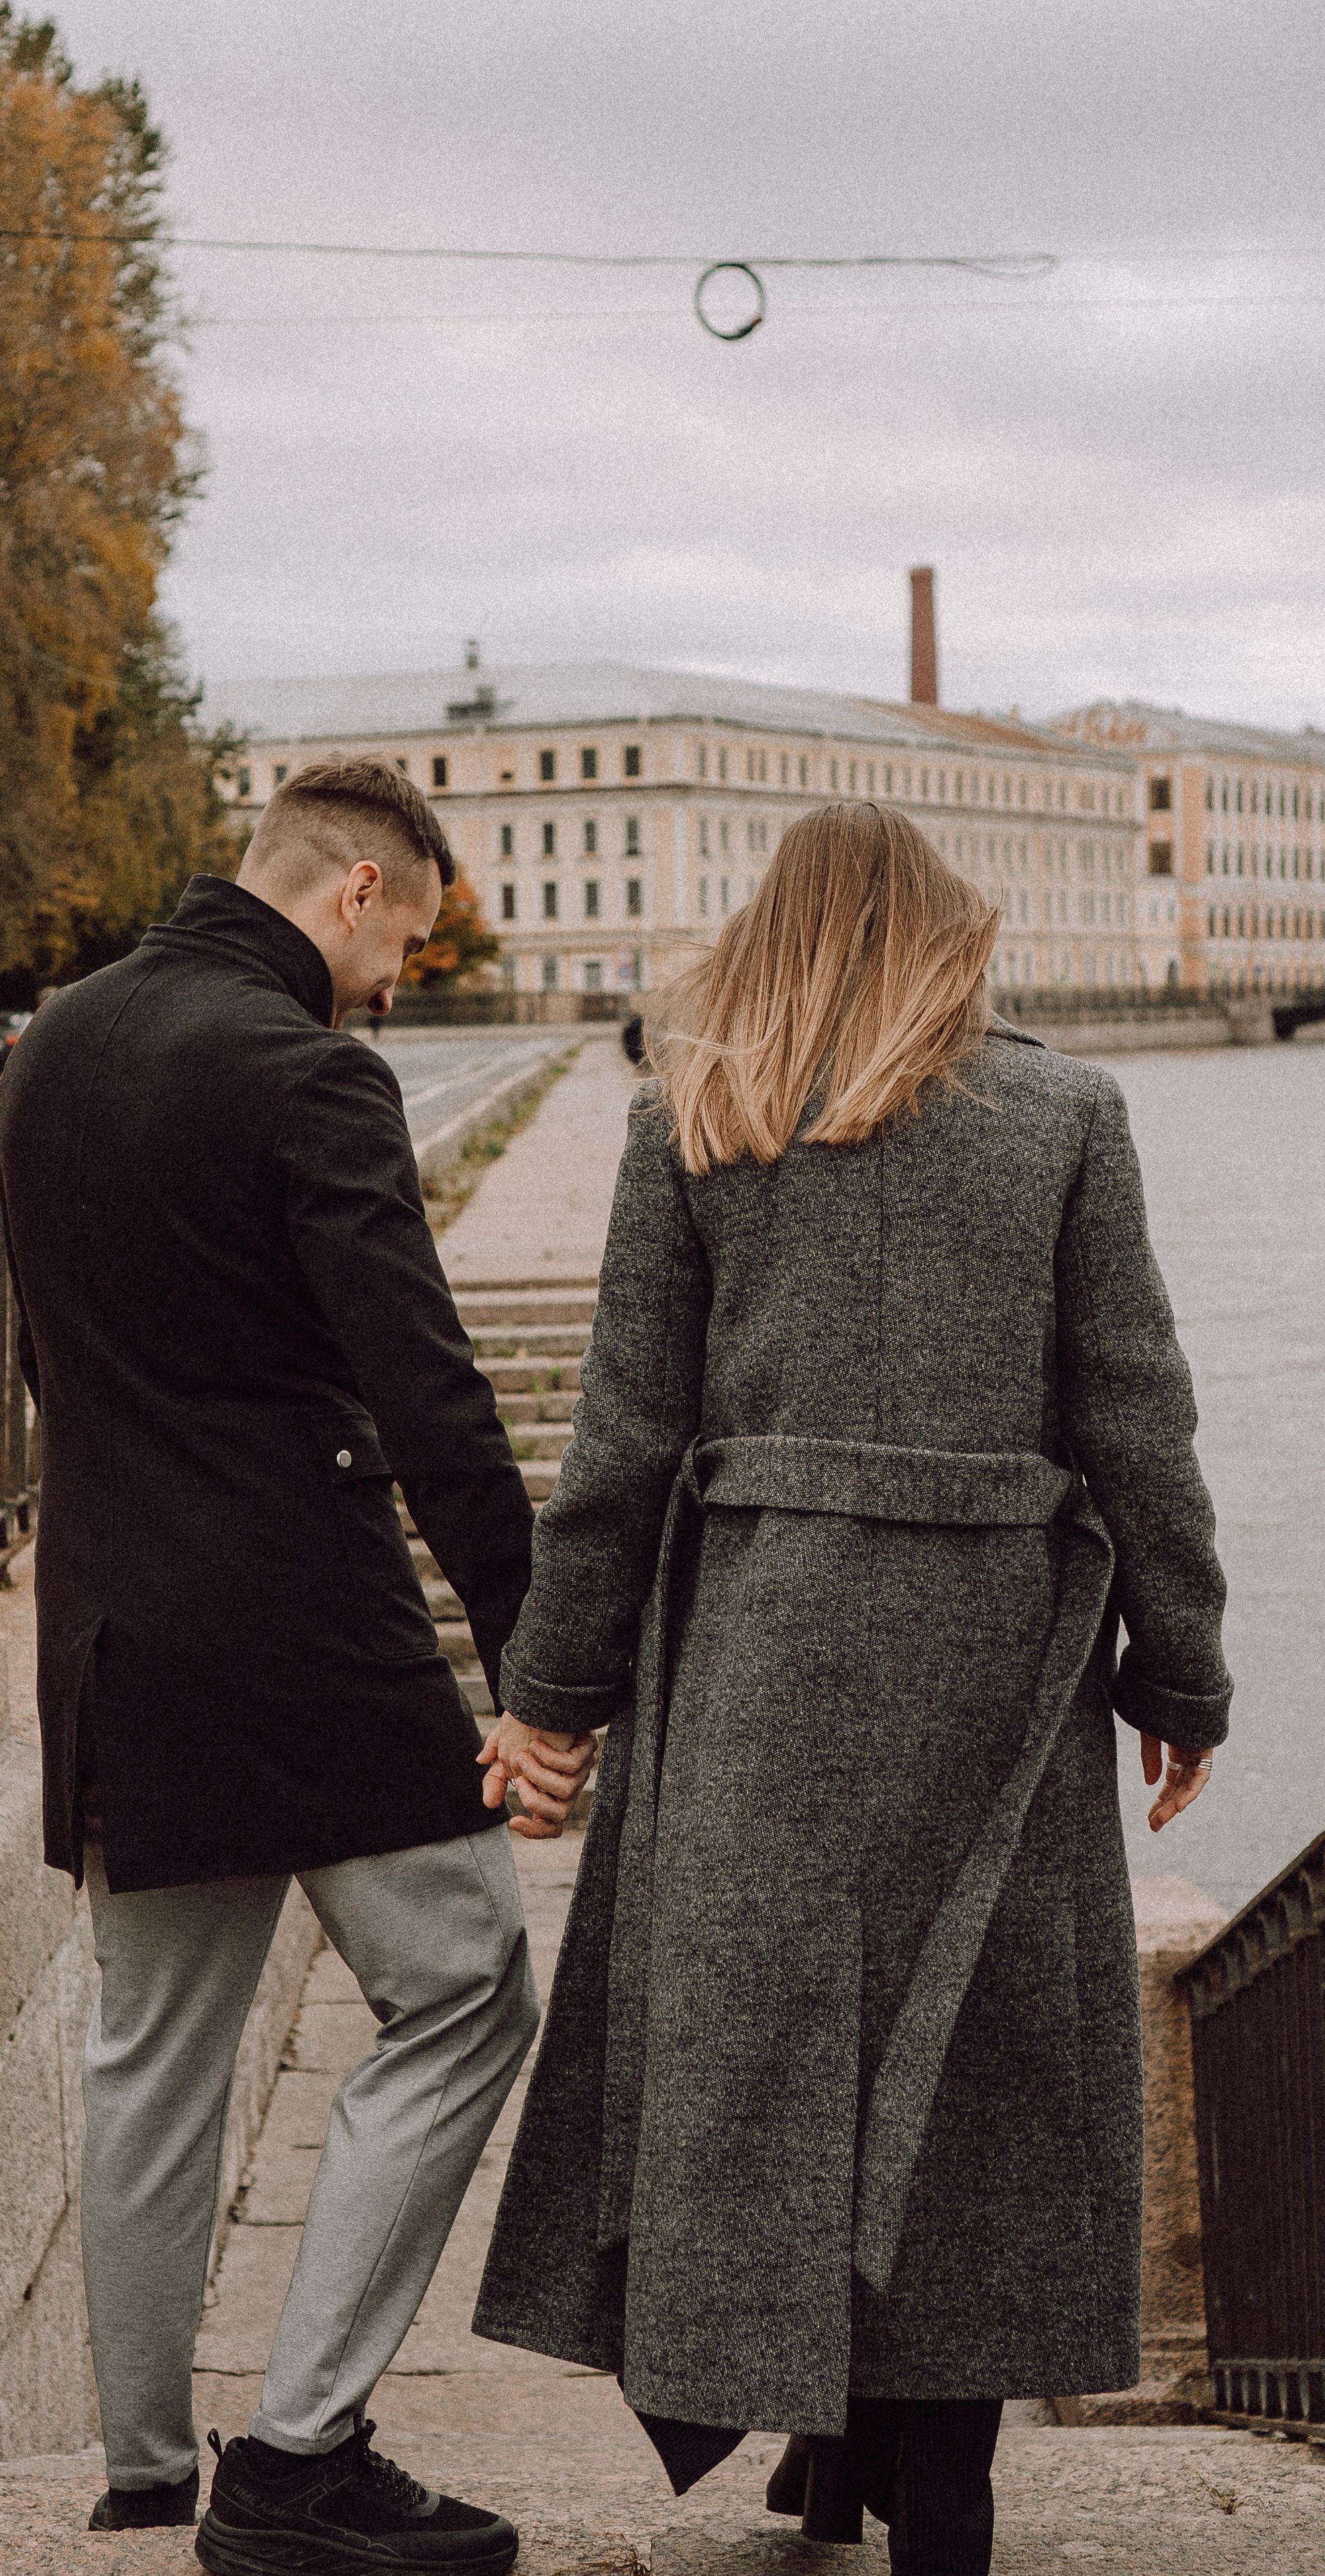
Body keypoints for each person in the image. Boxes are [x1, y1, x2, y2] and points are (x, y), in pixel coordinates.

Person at [470, 802, 1230, 2576]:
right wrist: (1182, 1677)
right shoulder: (1062, 1116)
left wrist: (554, 1698)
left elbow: (622, 1447)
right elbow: (1141, 1413)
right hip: (992, 1682)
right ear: (955, 932)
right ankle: (933, 2497)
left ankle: (819, 2445)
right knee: (964, 2065)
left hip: (758, 1667)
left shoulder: (699, 1119)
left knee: (776, 2060)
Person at [0, 756, 592, 2570]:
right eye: (403, 941)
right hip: (309, 1639)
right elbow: (427, 1388)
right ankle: (303, 2453)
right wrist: (538, 1665)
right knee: (468, 1987)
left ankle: (142, 2469)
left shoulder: (51, 1054)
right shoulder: (311, 1073)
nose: (397, 981)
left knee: (149, 2057)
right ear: (350, 894)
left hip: (116, 1627)